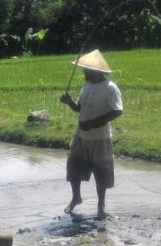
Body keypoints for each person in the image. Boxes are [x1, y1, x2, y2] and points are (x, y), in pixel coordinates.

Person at [59, 49, 123, 219]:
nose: (84, 72)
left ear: (96, 71)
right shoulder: (87, 86)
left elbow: (117, 111)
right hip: (81, 135)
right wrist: (69, 102)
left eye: (86, 70)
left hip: (100, 137)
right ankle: (76, 198)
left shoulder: (110, 88)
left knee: (100, 171)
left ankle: (101, 204)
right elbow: (80, 108)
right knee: (74, 167)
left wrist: (94, 123)